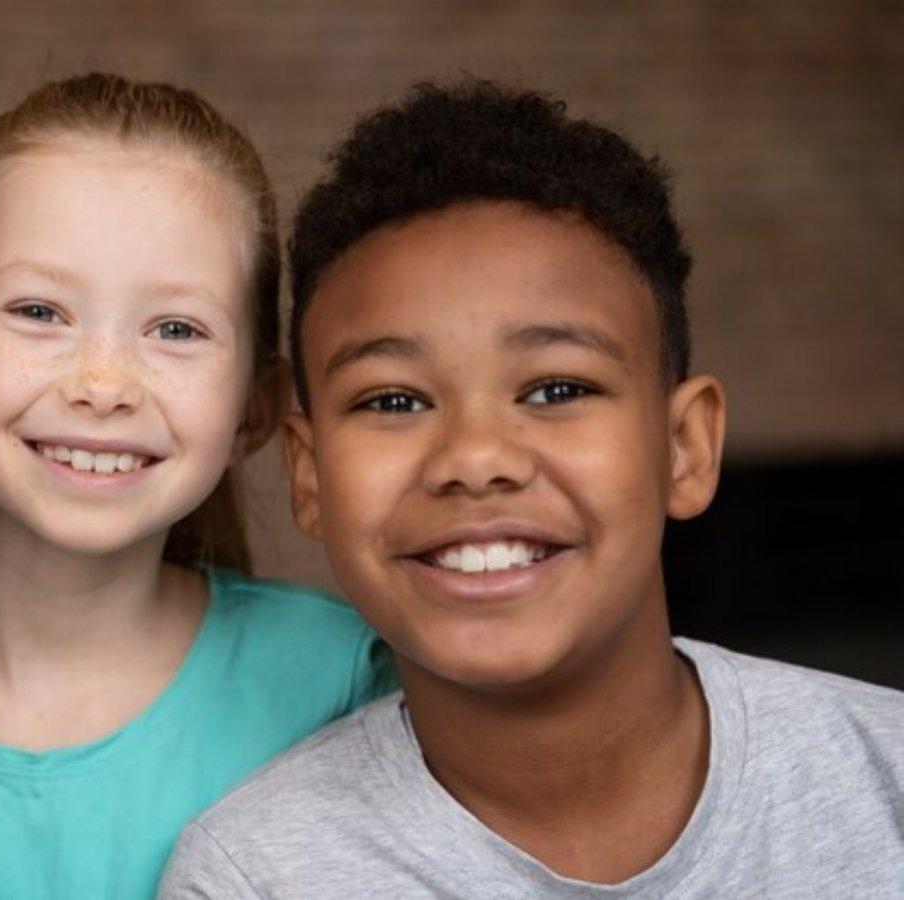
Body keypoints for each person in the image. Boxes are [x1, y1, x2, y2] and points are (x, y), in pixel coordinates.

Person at [158, 79, 904, 899]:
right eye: (394, 400)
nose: (476, 459)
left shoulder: (884, 780)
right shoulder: (256, 876)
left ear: (685, 446)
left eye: (555, 389)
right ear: (308, 475)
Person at [0, 73, 397, 900]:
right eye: (38, 312)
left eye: (176, 329)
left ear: (255, 406)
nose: (103, 384)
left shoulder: (353, 683)